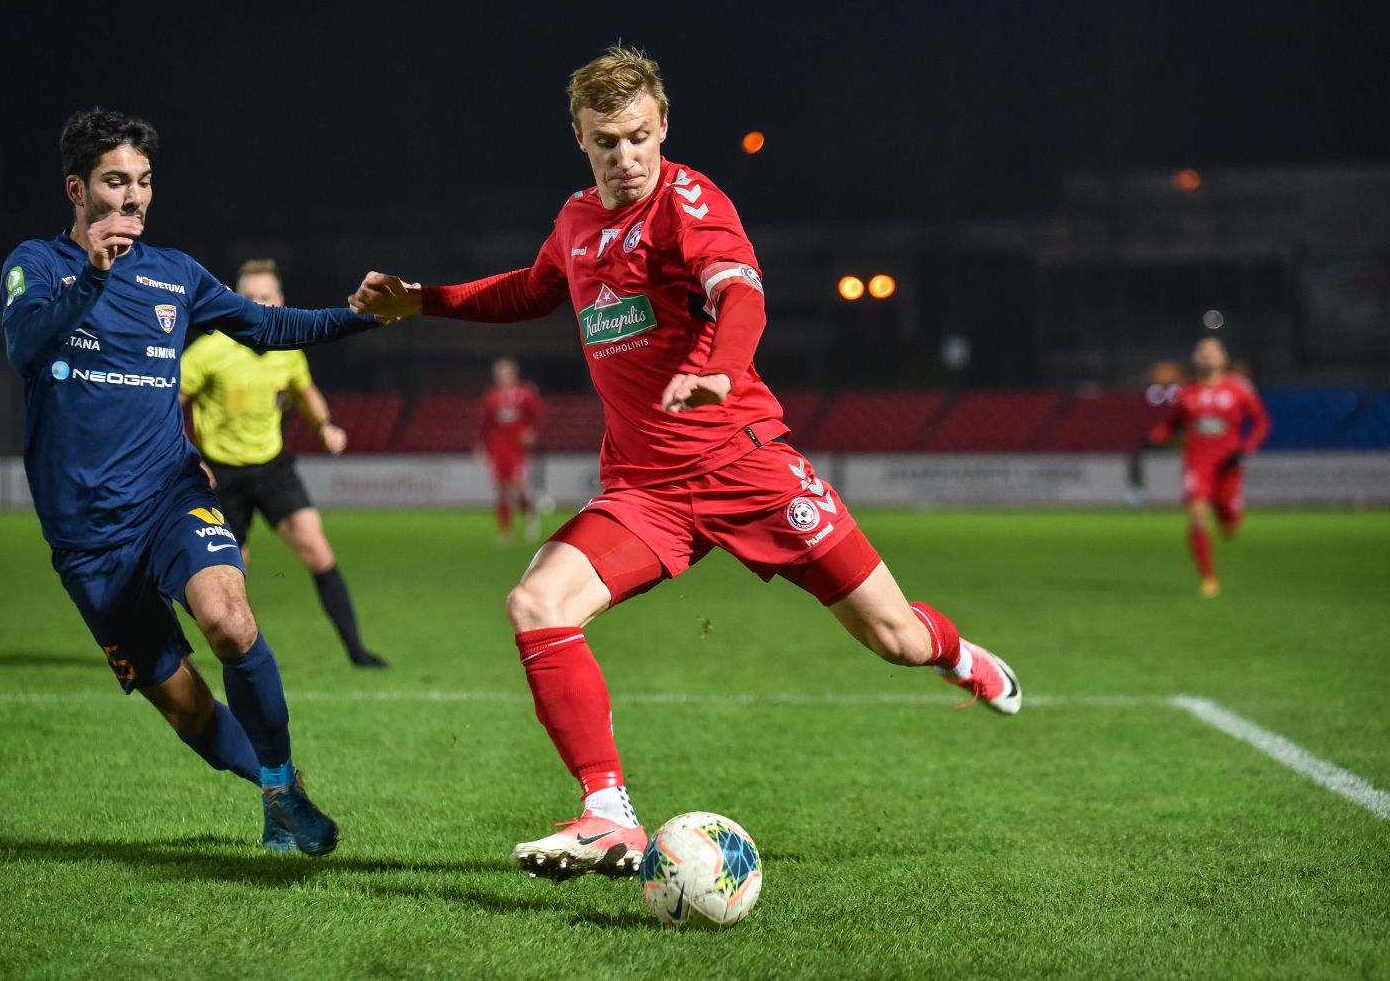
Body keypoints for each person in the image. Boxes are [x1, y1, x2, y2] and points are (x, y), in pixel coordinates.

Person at [348, 45, 1021, 882]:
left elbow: (741, 292)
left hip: (747, 468)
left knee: (896, 638)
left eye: (638, 136)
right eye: (606, 142)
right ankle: (608, 813)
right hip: (647, 492)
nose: (625, 157)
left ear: (663, 124)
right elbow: (530, 289)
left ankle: (959, 657)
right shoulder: (576, 221)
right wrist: (423, 301)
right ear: (580, 139)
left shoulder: (690, 202)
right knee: (537, 602)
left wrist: (723, 370)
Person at [0, 108, 384, 855]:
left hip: (170, 496)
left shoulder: (173, 274)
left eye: (144, 181)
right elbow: (25, 349)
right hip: (87, 539)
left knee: (230, 621)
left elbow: (267, 328)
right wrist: (92, 276)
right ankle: (275, 783)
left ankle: (281, 787)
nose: (135, 198)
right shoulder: (37, 265)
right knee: (186, 708)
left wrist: (359, 317)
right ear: (77, 189)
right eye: (116, 181)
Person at [181, 259, 387, 668]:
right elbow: (168, 402)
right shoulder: (209, 351)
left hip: (272, 467)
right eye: (250, 297)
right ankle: (235, 656)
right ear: (235, 300)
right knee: (230, 575)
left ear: (280, 300)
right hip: (222, 475)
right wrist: (188, 458)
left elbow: (304, 390)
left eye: (266, 297)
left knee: (317, 550)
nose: (259, 304)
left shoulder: (287, 348)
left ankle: (358, 653)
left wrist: (325, 425)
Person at [1147, 336, 1270, 597]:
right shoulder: (1185, 393)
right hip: (1197, 462)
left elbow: (1261, 422)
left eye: (1213, 353)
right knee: (1197, 514)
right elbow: (1171, 424)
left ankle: (1227, 514)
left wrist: (1245, 449)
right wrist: (1156, 436)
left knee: (1230, 526)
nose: (1207, 357)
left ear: (1223, 359)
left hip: (1228, 463)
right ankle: (1208, 578)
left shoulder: (1238, 389)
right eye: (1202, 353)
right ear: (1196, 359)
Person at [478, 357, 544, 544]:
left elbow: (537, 416)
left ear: (514, 373)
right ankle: (506, 531)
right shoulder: (491, 396)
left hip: (517, 447)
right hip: (499, 446)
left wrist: (532, 431)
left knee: (519, 486)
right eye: (499, 374)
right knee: (500, 488)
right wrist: (481, 444)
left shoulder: (525, 393)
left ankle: (529, 518)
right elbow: (485, 423)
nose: (502, 377)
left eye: (505, 373)